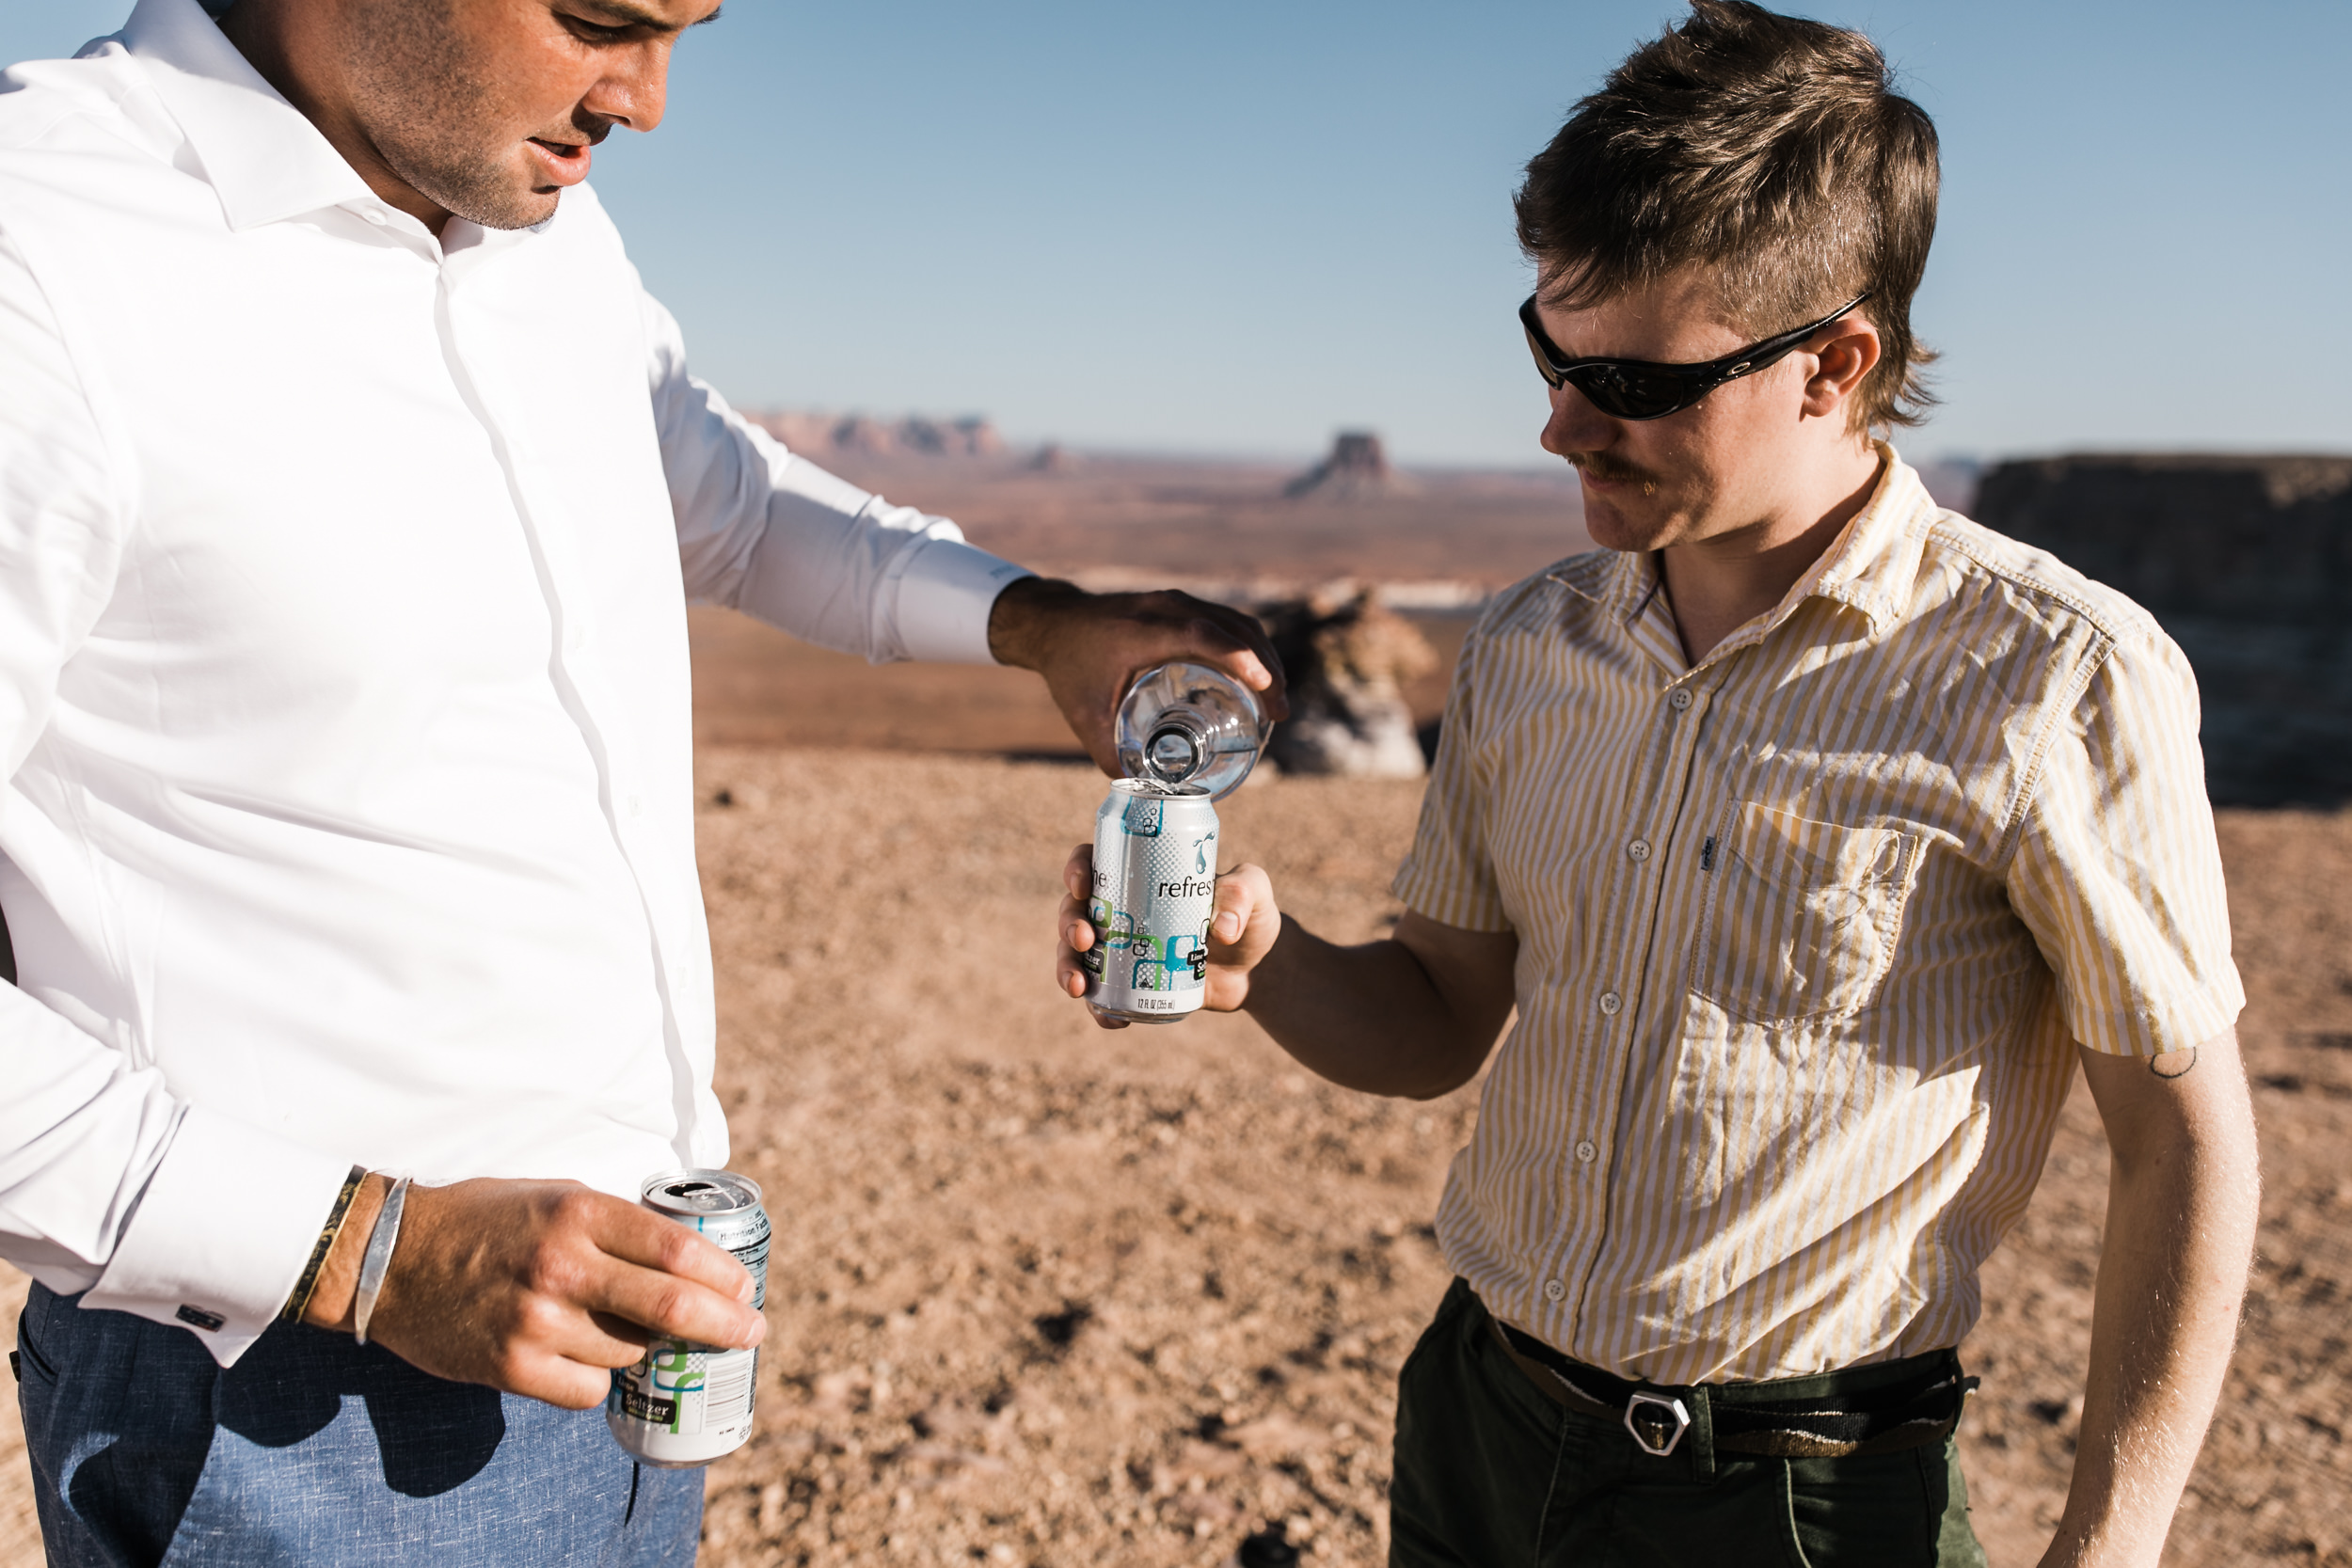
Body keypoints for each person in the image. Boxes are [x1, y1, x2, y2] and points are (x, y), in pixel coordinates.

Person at [0, 0, 1284, 1560]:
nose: (651, 103)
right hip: (291, 1402)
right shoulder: (46, 255)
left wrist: (1040, 626)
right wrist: (371, 1251)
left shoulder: (537, 219)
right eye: (603, 20)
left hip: (630, 1335)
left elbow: (727, 501)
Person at [1057, 4, 2257, 1563]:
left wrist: (2113, 1548)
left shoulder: (2056, 678)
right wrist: (1264, 966)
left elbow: (2184, 1142)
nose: (1558, 422)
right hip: (1481, 1429)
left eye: (1628, 379)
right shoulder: (1527, 644)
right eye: (1549, 350)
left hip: (1795, 1498)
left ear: (1834, 363)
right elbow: (1436, 1021)